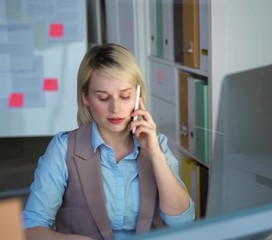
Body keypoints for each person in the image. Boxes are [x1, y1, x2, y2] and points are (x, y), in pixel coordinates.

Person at [23, 43, 195, 240]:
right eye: (103, 98)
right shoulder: (63, 148)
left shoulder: (158, 144)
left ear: (138, 95)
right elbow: (31, 228)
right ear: (86, 97)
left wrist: (156, 155)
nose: (116, 108)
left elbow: (183, 221)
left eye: (125, 96)